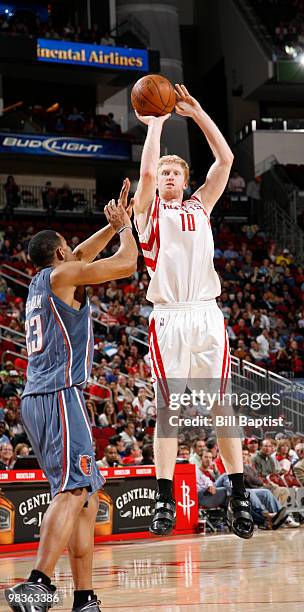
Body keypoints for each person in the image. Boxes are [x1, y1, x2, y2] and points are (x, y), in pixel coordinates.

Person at [5, 179, 137, 612]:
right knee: (73, 492)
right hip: (60, 393)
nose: (74, 250)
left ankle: (85, 598)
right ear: (59, 253)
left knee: (84, 497)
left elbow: (82, 255)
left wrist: (113, 219)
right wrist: (124, 229)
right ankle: (38, 583)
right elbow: (126, 264)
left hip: (39, 397)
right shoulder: (64, 274)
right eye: (68, 247)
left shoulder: (45, 281)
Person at [133, 83, 253, 539]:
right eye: (162, 171)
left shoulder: (201, 205)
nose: (165, 176)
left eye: (172, 172)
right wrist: (157, 127)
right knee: (170, 411)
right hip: (169, 317)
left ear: (185, 181)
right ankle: (163, 500)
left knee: (224, 406)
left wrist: (199, 113)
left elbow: (225, 161)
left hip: (207, 314)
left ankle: (239, 494)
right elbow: (143, 180)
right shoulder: (147, 215)